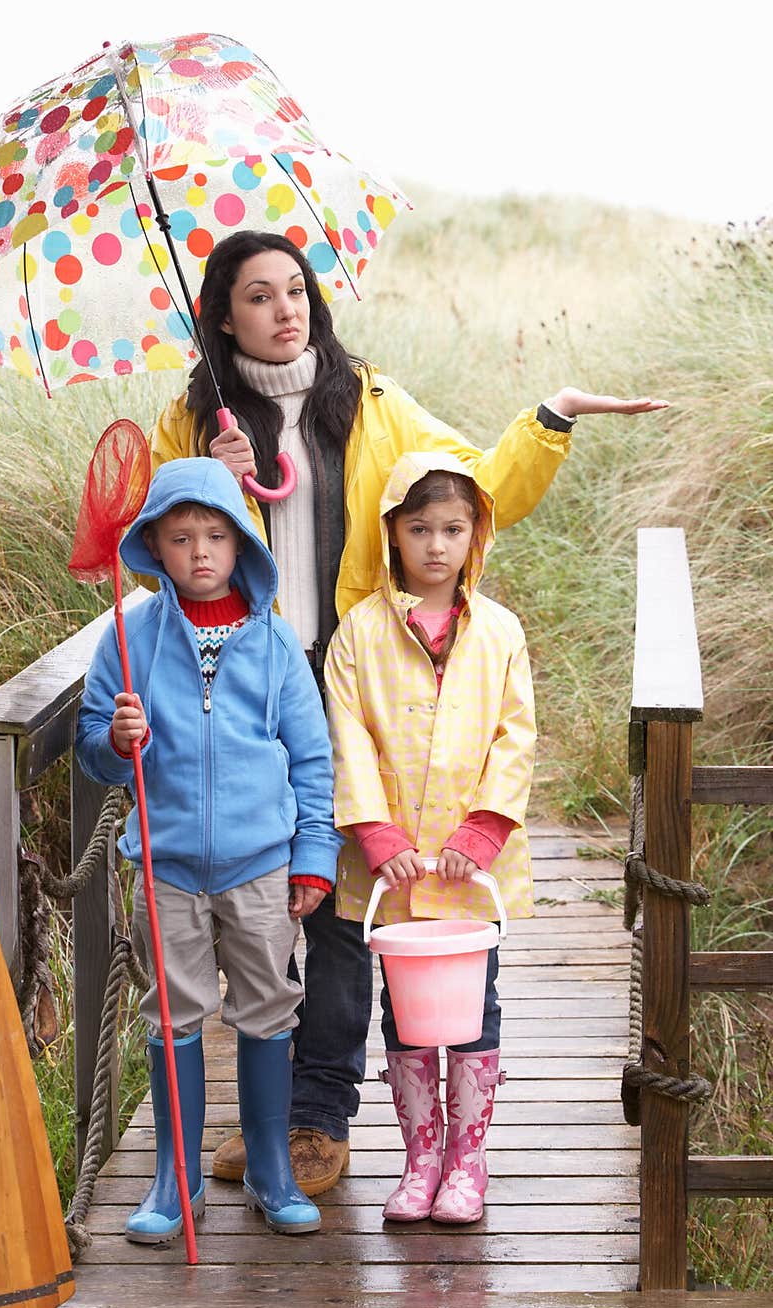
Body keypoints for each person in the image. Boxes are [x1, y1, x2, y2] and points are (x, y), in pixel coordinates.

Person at [149, 227, 669, 1196]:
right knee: (267, 899)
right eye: (258, 296)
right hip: (244, 685)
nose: (285, 309)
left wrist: (549, 415)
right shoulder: (194, 420)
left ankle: (315, 1120)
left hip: (350, 674)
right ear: (222, 315)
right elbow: (165, 540)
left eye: (295, 290)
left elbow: (476, 486)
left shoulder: (372, 404)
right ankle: (274, 1114)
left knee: (345, 908)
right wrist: (211, 471)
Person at [74, 456, 342, 1239]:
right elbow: (95, 743)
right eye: (181, 536)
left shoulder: (276, 642)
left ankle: (269, 1166)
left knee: (267, 1010)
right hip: (168, 865)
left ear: (241, 546)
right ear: (152, 545)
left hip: (261, 865)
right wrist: (114, 740)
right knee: (175, 1015)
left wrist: (314, 852)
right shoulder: (129, 638)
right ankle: (174, 1178)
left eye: (216, 536)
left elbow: (311, 754)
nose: (199, 552)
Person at [324, 452, 533, 1222]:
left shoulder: (500, 632)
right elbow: (346, 735)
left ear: (475, 534)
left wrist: (482, 832)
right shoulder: (359, 634)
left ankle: (467, 1162)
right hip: (396, 872)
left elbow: (516, 737)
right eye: (420, 529)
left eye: (453, 529)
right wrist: (377, 834)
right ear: (392, 534)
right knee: (406, 1011)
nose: (437, 546)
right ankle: (420, 1161)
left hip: (470, 871)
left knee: (476, 1007)